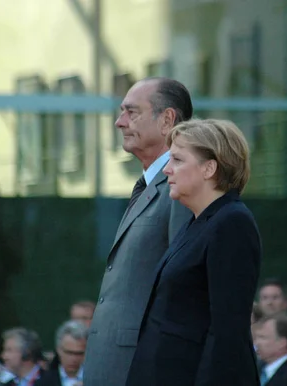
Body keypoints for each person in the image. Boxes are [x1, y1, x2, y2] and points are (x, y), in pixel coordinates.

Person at [125, 119, 262, 386]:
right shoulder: (199, 221)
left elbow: (227, 330)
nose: (166, 170)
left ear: (209, 168)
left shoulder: (232, 223)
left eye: (177, 159)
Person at [83, 77, 192, 386]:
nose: (120, 122)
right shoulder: (147, 184)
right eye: (122, 112)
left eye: (132, 112)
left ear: (167, 120)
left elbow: (181, 286)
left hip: (143, 367)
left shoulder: (181, 185)